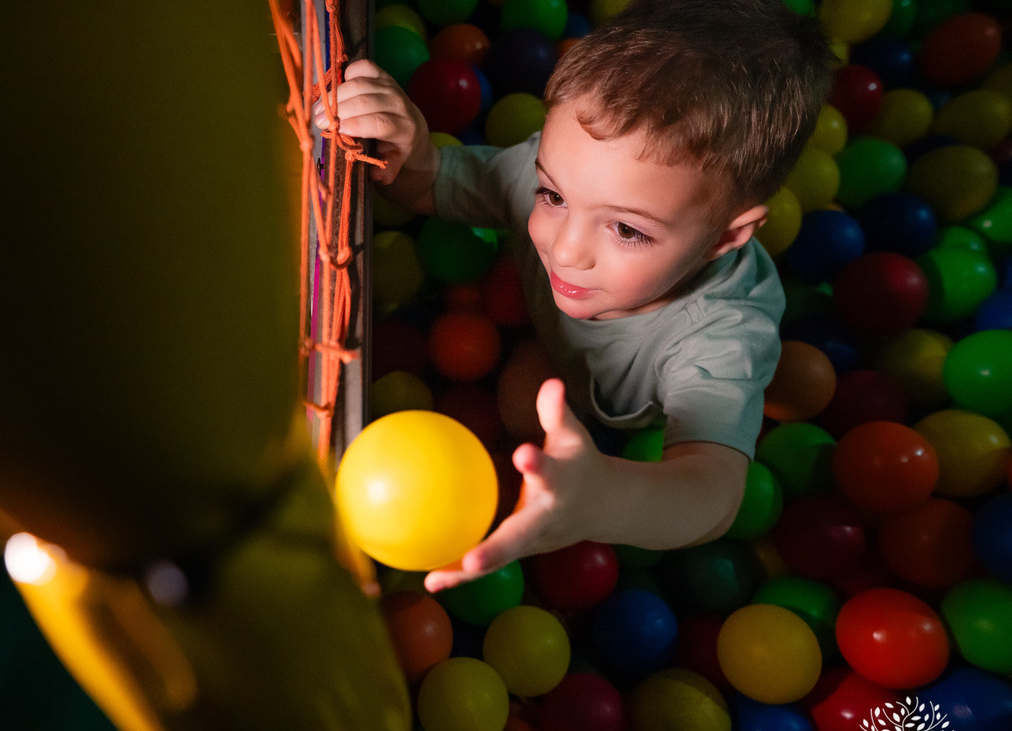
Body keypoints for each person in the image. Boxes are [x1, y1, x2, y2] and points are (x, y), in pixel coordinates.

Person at [317, 0, 834, 592]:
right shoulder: (580, 169)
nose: (564, 250)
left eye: (627, 230)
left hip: (623, 412)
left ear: (727, 237)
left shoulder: (722, 334)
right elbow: (437, 183)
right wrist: (410, 152)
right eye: (551, 195)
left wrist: (603, 497)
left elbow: (713, 494)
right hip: (557, 364)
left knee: (526, 399)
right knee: (524, 394)